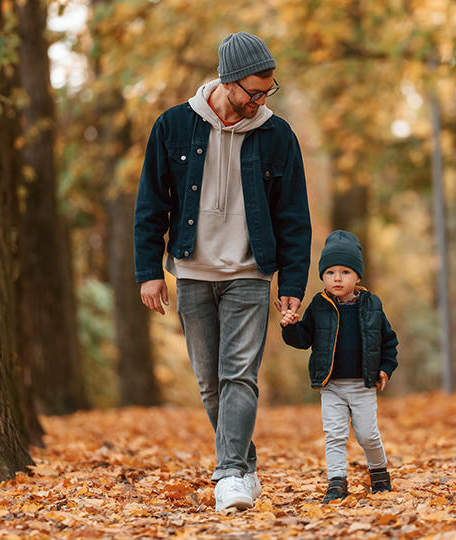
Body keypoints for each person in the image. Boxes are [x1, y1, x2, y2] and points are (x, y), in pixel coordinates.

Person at [133, 31, 311, 511]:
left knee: (240, 375)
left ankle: (228, 474)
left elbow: (293, 217)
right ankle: (245, 463)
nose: (260, 100)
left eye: (267, 91)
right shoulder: (173, 127)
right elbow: (151, 203)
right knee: (210, 383)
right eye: (253, 91)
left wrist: (292, 284)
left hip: (250, 274)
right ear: (227, 82)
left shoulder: (278, 136)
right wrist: (149, 270)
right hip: (192, 271)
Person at [280, 230, 397, 503]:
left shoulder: (372, 305)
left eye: (345, 272)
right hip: (331, 385)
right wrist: (291, 326)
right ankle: (337, 482)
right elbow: (303, 339)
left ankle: (379, 473)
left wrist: (385, 368)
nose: (337, 278)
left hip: (362, 384)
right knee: (334, 435)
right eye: (330, 272)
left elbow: (388, 340)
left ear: (358, 276)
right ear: (323, 276)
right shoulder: (318, 305)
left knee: (367, 434)